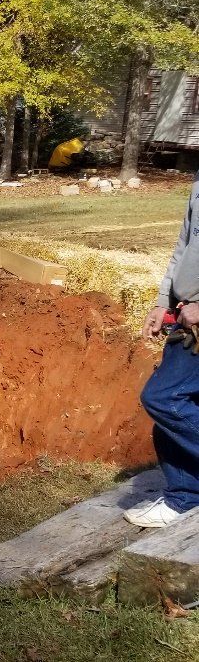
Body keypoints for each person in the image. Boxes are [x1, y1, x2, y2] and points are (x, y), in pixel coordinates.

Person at [127, 178, 199, 527]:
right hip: (186, 316)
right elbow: (185, 245)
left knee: (164, 398)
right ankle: (184, 498)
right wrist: (163, 301)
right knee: (176, 414)